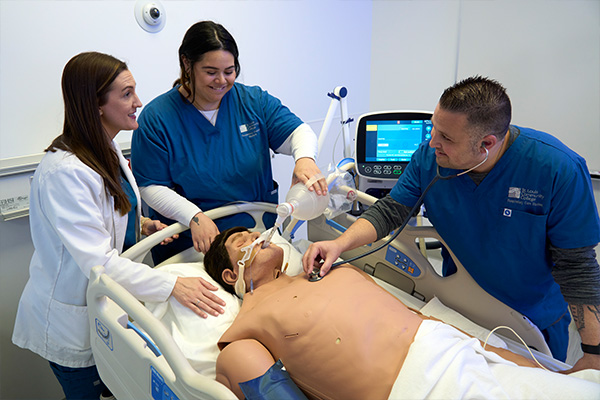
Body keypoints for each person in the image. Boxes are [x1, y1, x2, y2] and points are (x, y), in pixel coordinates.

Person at [302, 76, 600, 371]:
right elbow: (390, 211)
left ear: (486, 143)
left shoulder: (556, 170)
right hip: (459, 303)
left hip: (532, 321)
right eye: (434, 129)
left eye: (446, 138)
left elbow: (578, 268)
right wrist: (338, 243)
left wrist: (594, 353)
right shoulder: (429, 157)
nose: (433, 142)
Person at [12, 52, 227, 400]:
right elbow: (99, 263)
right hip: (74, 324)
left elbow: (106, 211)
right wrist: (173, 286)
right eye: (126, 94)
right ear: (96, 104)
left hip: (108, 309)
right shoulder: (66, 172)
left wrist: (140, 225)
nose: (138, 102)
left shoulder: (105, 148)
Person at [203, 227, 600, 400]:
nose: (256, 237)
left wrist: (551, 371)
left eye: (254, 232)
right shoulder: (244, 331)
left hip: (458, 355)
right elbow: (260, 382)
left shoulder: (322, 273)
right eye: (243, 240)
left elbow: (425, 324)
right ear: (229, 273)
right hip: (417, 389)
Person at [131, 20, 327, 264]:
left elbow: (298, 131)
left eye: (230, 71)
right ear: (186, 64)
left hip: (258, 235)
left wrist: (305, 160)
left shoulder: (252, 101)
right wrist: (193, 215)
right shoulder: (158, 118)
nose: (221, 81)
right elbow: (151, 186)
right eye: (211, 72)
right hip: (195, 247)